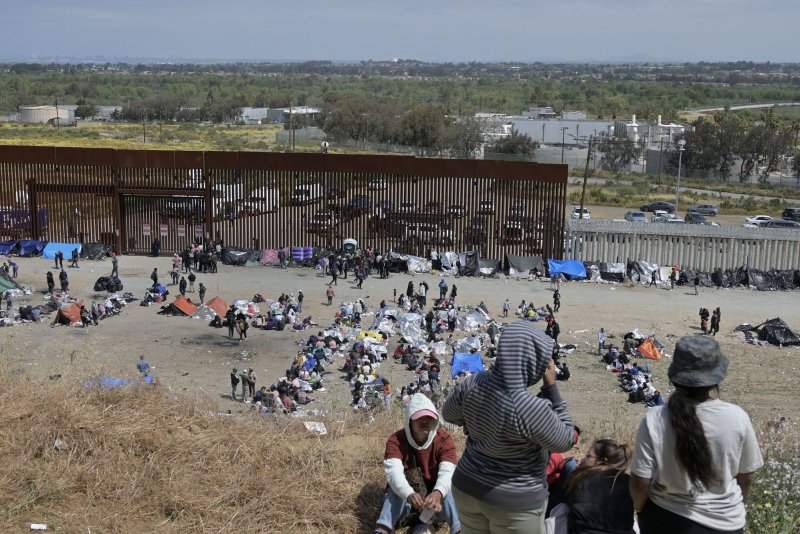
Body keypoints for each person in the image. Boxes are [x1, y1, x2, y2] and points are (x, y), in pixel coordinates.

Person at [442, 321, 575, 534]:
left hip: (467, 486)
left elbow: (448, 414)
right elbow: (566, 440)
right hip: (514, 501)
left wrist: (476, 424)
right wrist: (551, 388)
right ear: (531, 361)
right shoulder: (529, 406)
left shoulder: (472, 383)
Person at [630, 336, 763, 534]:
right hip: (726, 524)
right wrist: (736, 508)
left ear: (675, 377)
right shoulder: (737, 417)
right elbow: (746, 477)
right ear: (717, 378)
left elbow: (640, 483)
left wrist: (641, 511)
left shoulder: (655, 419)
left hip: (665, 520)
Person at [374, 394, 461, 534]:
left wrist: (438, 493)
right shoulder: (396, 440)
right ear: (410, 420)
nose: (425, 421)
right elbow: (394, 474)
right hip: (405, 506)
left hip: (435, 506)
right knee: (395, 490)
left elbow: (448, 471)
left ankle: (458, 529)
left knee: (449, 490)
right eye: (420, 417)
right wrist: (409, 494)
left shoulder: (444, 440)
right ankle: (383, 529)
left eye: (429, 417)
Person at [562, 439, 635, 534]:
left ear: (601, 461)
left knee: (561, 509)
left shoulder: (581, 478)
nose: (583, 459)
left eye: (588, 456)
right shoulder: (629, 482)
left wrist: (578, 471)